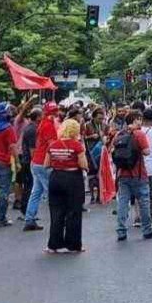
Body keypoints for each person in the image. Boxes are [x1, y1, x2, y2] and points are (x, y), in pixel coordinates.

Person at [44, 119, 88, 254]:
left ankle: (54, 244)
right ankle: (73, 244)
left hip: (56, 178)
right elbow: (83, 165)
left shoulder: (52, 145)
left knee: (56, 212)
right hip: (73, 178)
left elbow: (46, 164)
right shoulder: (77, 146)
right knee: (74, 212)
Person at [112, 111, 152, 242]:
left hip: (122, 174)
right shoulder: (139, 134)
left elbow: (113, 151)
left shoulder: (119, 134)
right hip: (138, 173)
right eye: (139, 120)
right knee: (143, 202)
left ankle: (121, 230)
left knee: (123, 202)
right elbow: (147, 152)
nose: (141, 122)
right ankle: (147, 229)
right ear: (136, 120)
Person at [23, 102, 60, 232]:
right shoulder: (48, 125)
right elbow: (52, 146)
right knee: (51, 192)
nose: (55, 114)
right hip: (43, 162)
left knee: (37, 192)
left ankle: (29, 219)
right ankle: (57, 220)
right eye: (54, 112)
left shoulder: (43, 123)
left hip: (36, 162)